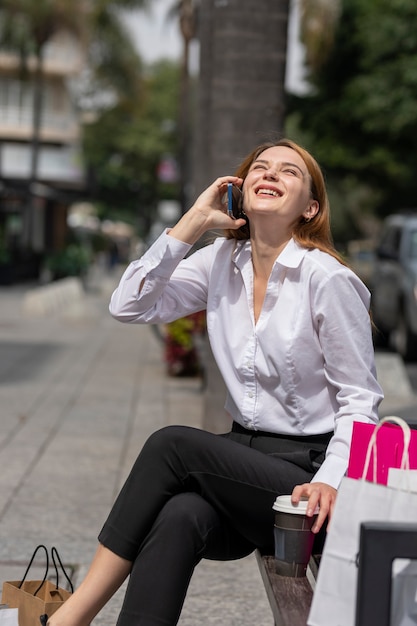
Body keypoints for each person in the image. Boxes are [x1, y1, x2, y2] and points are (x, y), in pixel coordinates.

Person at [48, 138, 383, 626]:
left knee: (172, 445)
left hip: (310, 478)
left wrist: (330, 481)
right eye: (260, 168)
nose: (269, 174)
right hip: (243, 466)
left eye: (289, 172)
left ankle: (70, 617)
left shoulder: (326, 280)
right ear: (239, 192)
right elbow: (128, 305)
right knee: (180, 515)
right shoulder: (221, 261)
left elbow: (360, 399)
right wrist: (194, 223)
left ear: (310, 207)